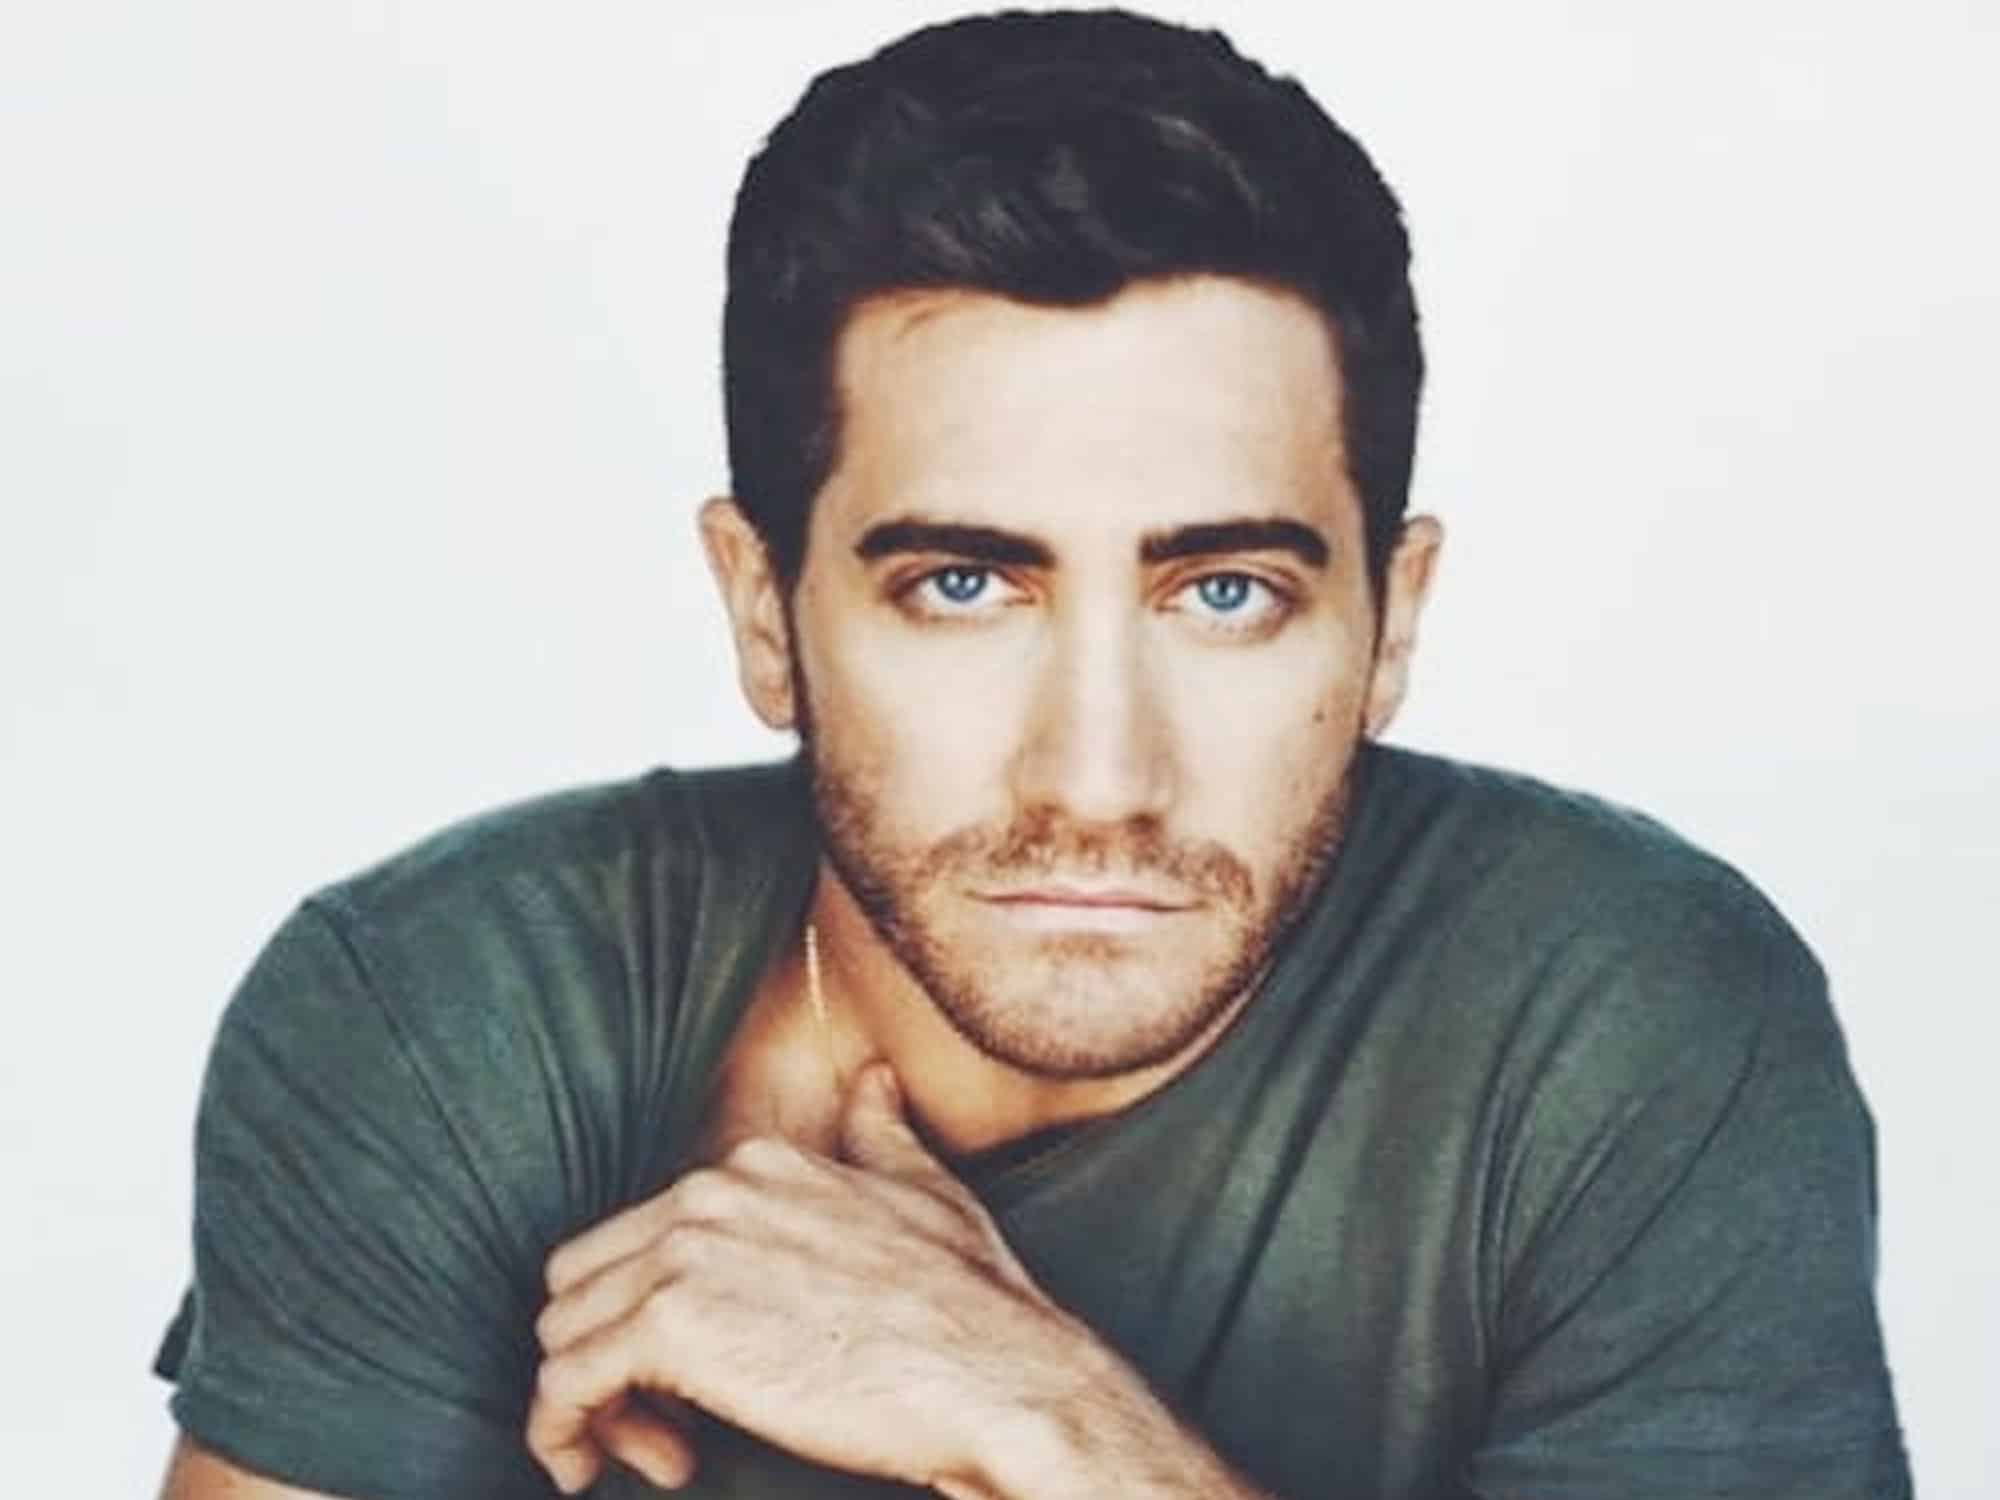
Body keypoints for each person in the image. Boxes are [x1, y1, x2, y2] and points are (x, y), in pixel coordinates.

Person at [154, 10, 1910, 1498]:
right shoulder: (451, 1012)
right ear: (764, 613)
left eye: (1224, 593)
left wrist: (1057, 1429)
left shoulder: (1626, 1025)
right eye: (965, 586)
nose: (1097, 774)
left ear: (1393, 623)